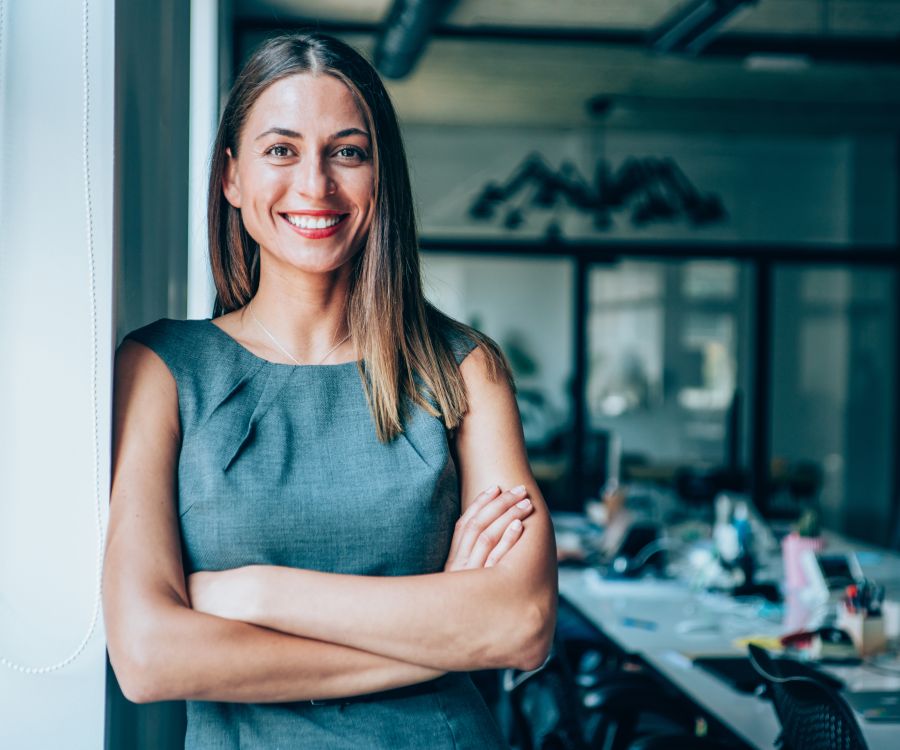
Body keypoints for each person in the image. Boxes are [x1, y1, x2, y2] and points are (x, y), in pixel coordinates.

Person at [103, 32, 557, 749]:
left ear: (381, 177)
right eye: (280, 150)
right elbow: (149, 658)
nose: (315, 185)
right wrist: (441, 631)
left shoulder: (463, 369)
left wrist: (253, 593)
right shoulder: (162, 368)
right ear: (231, 177)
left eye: (347, 151)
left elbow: (522, 625)